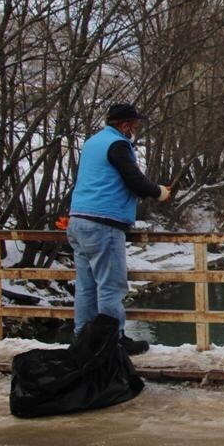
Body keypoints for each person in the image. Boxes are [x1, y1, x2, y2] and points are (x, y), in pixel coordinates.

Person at [67, 103, 171, 355]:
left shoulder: (92, 142)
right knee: (110, 285)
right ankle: (113, 339)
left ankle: (84, 338)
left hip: (78, 221)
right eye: (134, 125)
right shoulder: (118, 144)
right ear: (125, 125)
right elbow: (133, 178)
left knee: (86, 286)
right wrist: (159, 192)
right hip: (103, 224)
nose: (135, 129)